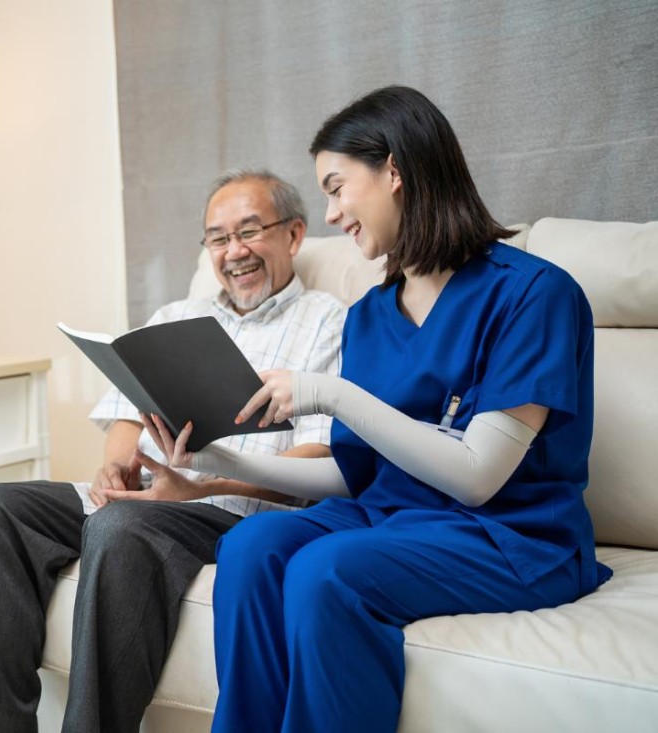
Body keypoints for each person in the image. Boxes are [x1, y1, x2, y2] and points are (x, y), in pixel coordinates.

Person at [144, 86, 612, 733]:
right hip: (390, 515)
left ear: (394, 170)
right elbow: (353, 472)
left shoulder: (534, 295)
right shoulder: (369, 316)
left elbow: (478, 475)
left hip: (512, 538)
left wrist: (332, 392)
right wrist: (216, 457)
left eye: (337, 187)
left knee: (326, 569)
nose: (333, 213)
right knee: (250, 544)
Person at [0, 170, 347, 733]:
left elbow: (318, 458)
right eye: (218, 239)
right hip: (150, 495)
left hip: (230, 512)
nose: (234, 252)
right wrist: (114, 467)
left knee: (121, 525)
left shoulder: (327, 321)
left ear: (294, 235)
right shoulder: (176, 316)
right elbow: (126, 417)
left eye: (250, 232)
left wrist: (201, 487)